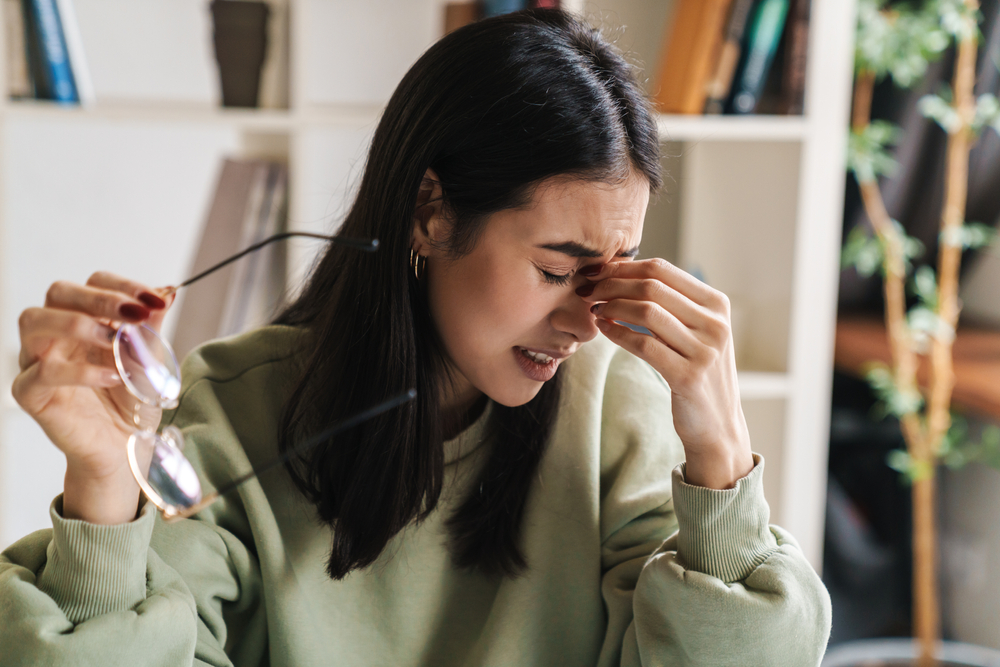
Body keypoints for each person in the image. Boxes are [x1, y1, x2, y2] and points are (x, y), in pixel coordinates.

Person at [0, 9, 831, 666]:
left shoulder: (617, 411)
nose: (587, 322)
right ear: (430, 211)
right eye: (556, 268)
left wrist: (720, 454)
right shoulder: (236, 411)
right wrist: (104, 484)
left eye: (612, 272)